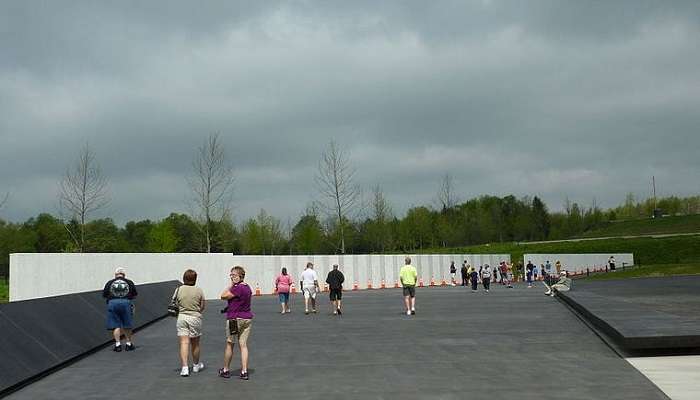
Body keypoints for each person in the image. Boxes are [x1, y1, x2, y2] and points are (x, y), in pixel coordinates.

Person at [219, 266, 254, 380]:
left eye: (234, 275)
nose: (232, 277)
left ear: (240, 276)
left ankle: (225, 369)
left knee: (230, 343)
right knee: (243, 345)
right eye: (231, 275)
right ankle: (244, 371)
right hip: (247, 318)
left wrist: (230, 285)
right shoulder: (248, 288)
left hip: (235, 318)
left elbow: (223, 296)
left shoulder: (237, 288)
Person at [174, 269, 206, 377]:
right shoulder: (199, 290)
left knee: (184, 343)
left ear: (184, 278)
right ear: (195, 279)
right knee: (195, 343)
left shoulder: (179, 289)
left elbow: (175, 303)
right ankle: (196, 365)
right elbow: (202, 306)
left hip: (182, 317)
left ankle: (185, 368)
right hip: (195, 317)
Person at [102, 267, 138, 352]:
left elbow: (104, 294)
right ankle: (128, 344)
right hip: (126, 303)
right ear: (124, 275)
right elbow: (135, 294)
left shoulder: (110, 282)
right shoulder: (129, 282)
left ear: (115, 275)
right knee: (127, 324)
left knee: (115, 325)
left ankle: (118, 345)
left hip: (113, 303)